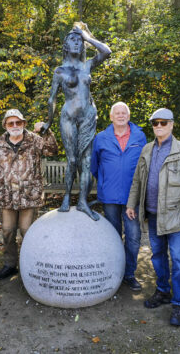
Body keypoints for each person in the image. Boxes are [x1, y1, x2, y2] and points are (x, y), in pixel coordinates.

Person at [126, 108, 180, 326]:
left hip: (177, 217)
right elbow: (137, 181)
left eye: (163, 123)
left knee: (179, 261)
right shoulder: (147, 150)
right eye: (155, 123)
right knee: (157, 257)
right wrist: (132, 203)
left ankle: (179, 304)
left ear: (171, 125)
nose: (159, 126)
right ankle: (163, 291)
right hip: (153, 216)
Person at [41, 24, 111, 221]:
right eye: (72, 39)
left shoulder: (87, 65)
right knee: (72, 160)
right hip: (69, 118)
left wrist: (87, 36)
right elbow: (52, 99)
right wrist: (48, 121)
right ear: (65, 45)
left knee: (87, 162)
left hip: (87, 117)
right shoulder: (60, 70)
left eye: (79, 41)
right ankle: (66, 196)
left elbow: (106, 51)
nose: (76, 43)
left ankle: (82, 201)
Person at [0, 109, 58, 280]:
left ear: (24, 124)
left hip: (29, 196)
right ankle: (10, 265)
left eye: (18, 122)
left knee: (28, 231)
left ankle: (31, 265)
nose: (15, 126)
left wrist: (46, 130)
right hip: (6, 197)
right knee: (7, 231)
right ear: (5, 125)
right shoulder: (0, 144)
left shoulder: (34, 140)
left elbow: (52, 150)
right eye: (10, 123)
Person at [91, 101, 147, 291]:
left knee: (133, 236)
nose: (121, 115)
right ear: (111, 117)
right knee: (112, 236)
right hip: (109, 197)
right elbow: (94, 167)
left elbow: (145, 166)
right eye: (118, 113)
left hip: (133, 197)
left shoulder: (140, 136)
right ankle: (113, 271)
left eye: (124, 113)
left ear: (128, 116)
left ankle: (129, 274)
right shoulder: (101, 138)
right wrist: (107, 181)